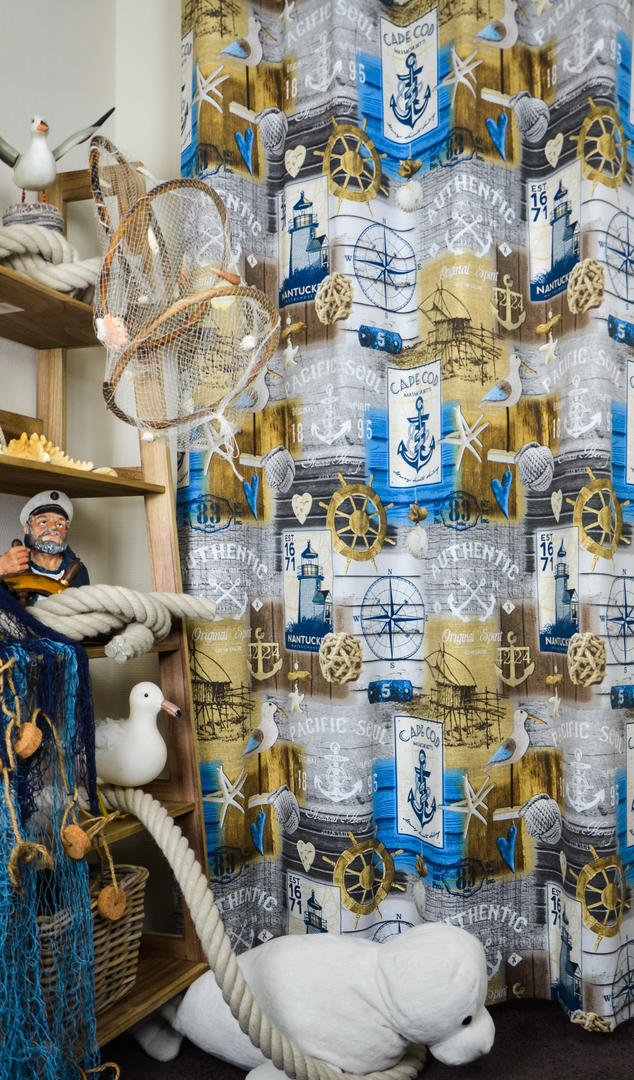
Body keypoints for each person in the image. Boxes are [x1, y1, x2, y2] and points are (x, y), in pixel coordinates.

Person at [0, 489, 89, 587]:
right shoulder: (9, 565)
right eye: (43, 522)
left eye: (60, 524)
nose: (53, 527)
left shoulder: (79, 571)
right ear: (27, 528)